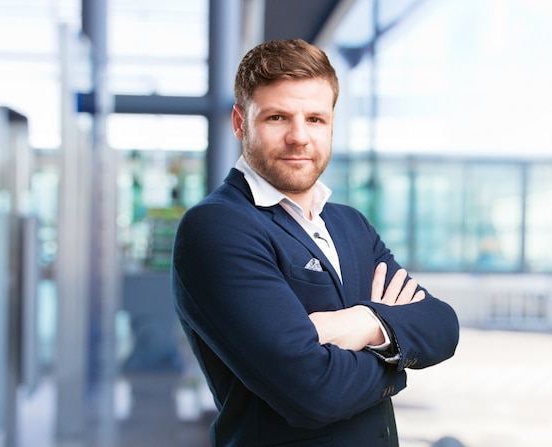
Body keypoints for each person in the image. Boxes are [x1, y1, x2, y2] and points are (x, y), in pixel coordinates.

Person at [171, 38, 459, 447]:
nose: (299, 136)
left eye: (316, 119)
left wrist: (360, 322)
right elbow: (312, 393)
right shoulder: (218, 227)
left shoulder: (349, 225)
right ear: (240, 123)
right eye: (277, 118)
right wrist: (396, 353)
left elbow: (443, 326)